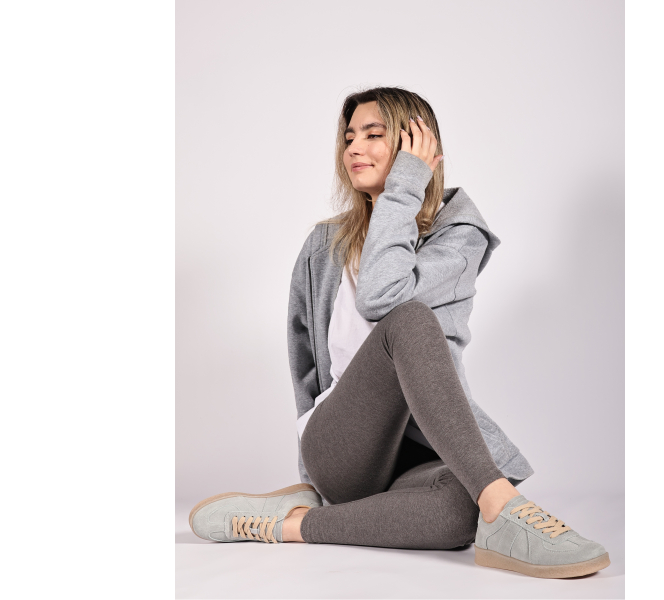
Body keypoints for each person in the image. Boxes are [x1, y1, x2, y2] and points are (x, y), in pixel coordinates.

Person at [189, 87, 610, 579]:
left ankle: (291, 524)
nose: (353, 148)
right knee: (409, 322)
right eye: (349, 137)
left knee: (461, 512)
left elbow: (382, 291)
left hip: (415, 452)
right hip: (340, 448)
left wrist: (406, 189)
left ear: (418, 146)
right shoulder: (324, 245)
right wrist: (312, 475)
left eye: (373, 135)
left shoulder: (458, 236)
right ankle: (504, 506)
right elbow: (312, 353)